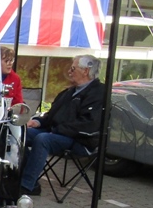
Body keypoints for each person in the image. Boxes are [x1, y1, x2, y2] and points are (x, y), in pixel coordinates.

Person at [18, 54, 105, 196]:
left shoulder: (99, 93)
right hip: (58, 133)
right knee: (19, 134)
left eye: (73, 68)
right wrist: (37, 122)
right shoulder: (69, 92)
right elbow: (52, 115)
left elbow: (88, 124)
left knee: (43, 139)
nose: (69, 72)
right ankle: (25, 178)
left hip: (81, 140)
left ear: (86, 71)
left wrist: (57, 130)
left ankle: (27, 185)